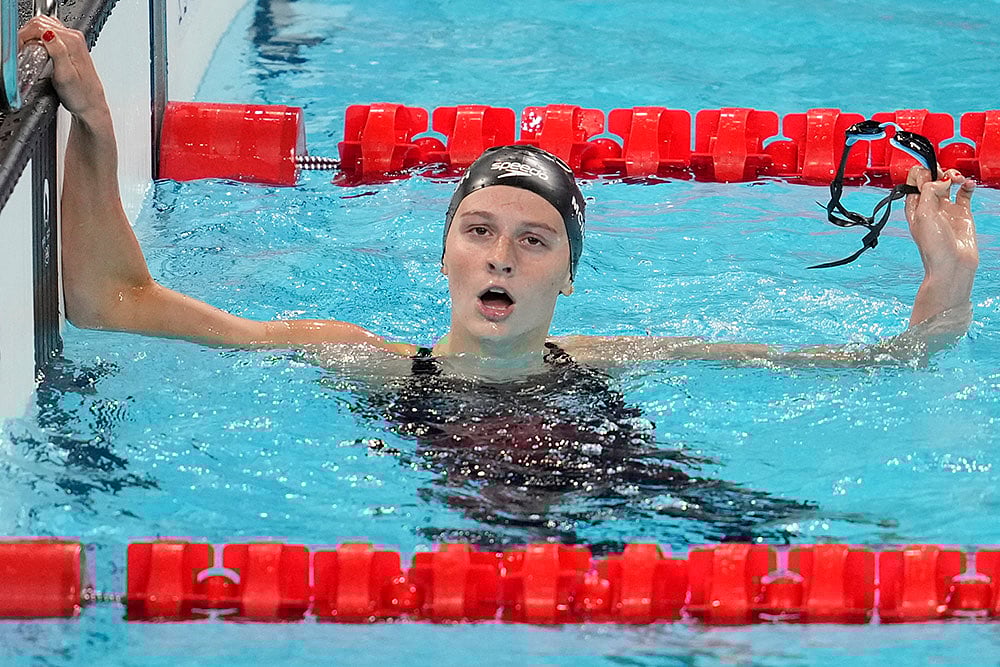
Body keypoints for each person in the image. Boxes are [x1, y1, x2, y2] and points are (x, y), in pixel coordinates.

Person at [20, 16, 980, 373]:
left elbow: (879, 363)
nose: (500, 256)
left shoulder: (618, 360)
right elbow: (109, 302)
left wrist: (950, 283)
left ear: (569, 276)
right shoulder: (362, 360)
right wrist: (97, 129)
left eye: (534, 241)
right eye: (479, 229)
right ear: (443, 252)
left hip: (632, 517)